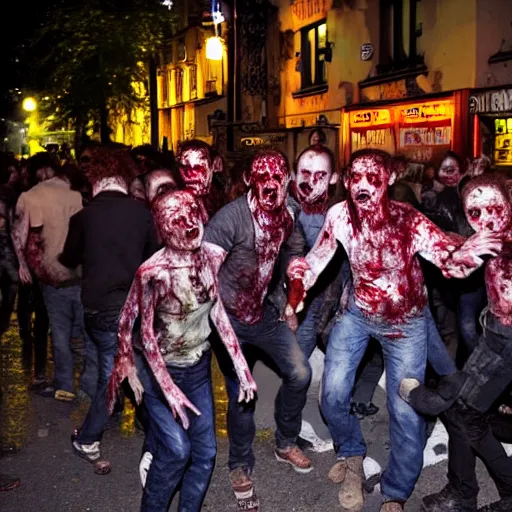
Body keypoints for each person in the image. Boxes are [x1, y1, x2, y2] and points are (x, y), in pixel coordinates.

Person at [285, 149, 501, 512]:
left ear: (388, 180)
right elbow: (316, 260)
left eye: (373, 178)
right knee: (332, 394)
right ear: (348, 181)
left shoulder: (408, 220)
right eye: (356, 177)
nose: (363, 185)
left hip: (406, 323)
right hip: (357, 315)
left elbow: (449, 261)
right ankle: (351, 452)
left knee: (405, 410)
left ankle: (397, 489)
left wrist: (472, 250)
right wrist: (297, 283)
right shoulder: (339, 216)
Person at [108, 189, 257, 512]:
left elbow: (217, 312)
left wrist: (243, 371)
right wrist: (162, 386)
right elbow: (144, 333)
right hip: (157, 373)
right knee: (176, 450)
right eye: (177, 219)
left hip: (197, 370)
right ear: (163, 228)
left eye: (192, 211)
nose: (189, 222)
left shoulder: (209, 258)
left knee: (205, 454)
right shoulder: (153, 273)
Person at [203, 150, 313, 510]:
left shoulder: (289, 211)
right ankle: (239, 465)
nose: (270, 186)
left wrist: (291, 291)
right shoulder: (229, 219)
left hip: (264, 313)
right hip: (228, 317)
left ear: (286, 180)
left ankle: (285, 441)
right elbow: (204, 280)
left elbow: (293, 249)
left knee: (299, 372)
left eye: (278, 178)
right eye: (262, 178)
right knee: (242, 394)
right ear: (249, 179)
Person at [401, 174, 512, 512]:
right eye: (476, 214)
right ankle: (467, 490)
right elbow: (465, 251)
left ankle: (465, 492)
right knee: (468, 411)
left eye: (493, 207)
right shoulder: (496, 235)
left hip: (505, 340)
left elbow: (457, 267)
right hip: (497, 331)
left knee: (464, 412)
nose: (487, 220)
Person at [60, 145, 159, 465]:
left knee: (112, 374)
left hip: (97, 310)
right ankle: (161, 435)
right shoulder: (143, 214)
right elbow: (154, 261)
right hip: (133, 309)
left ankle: (91, 437)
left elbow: (69, 258)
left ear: (97, 179)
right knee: (126, 372)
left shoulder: (83, 217)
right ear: (126, 179)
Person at [11, 157, 90, 401]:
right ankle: (89, 386)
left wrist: (22, 265)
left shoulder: (29, 197)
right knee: (84, 333)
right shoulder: (75, 195)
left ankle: (65, 384)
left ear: (40, 171)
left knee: (60, 332)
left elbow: (18, 234)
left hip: (51, 275)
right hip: (80, 273)